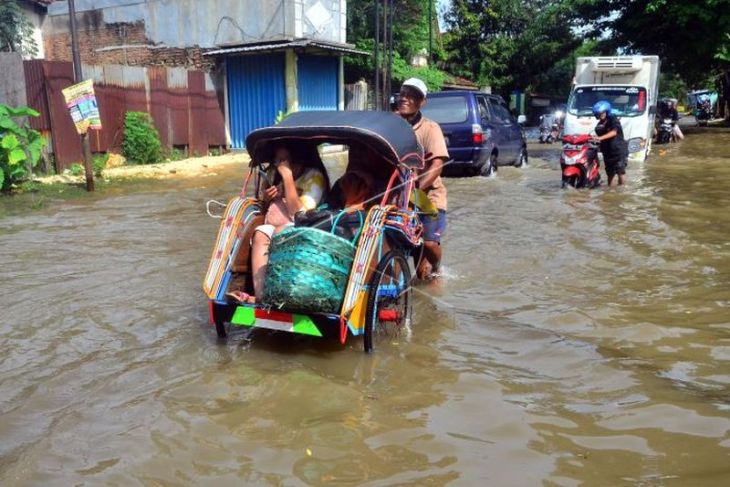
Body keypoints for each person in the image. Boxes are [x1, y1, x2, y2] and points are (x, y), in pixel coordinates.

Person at [229, 144, 327, 303]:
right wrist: (267, 198)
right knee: (261, 232)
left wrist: (288, 178)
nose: (278, 165)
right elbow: (264, 209)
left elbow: (300, 214)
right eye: (277, 160)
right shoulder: (273, 173)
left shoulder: (314, 177)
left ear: (298, 161)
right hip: (273, 226)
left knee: (280, 231)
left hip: (302, 229)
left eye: (283, 161)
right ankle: (260, 296)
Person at [397, 77, 449, 280]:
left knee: (428, 244)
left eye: (412, 95)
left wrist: (414, 189)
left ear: (422, 102)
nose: (405, 99)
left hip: (427, 195)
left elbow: (437, 166)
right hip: (396, 194)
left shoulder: (430, 128)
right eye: (402, 94)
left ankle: (437, 268)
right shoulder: (391, 123)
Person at [592, 100, 627, 187]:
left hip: (618, 151)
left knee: (620, 171)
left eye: (601, 113)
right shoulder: (599, 126)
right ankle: (610, 191)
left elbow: (614, 132)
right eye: (598, 114)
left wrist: (600, 138)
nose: (600, 115)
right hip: (607, 152)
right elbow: (600, 138)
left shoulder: (613, 119)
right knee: (610, 174)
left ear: (606, 111)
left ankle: (622, 190)